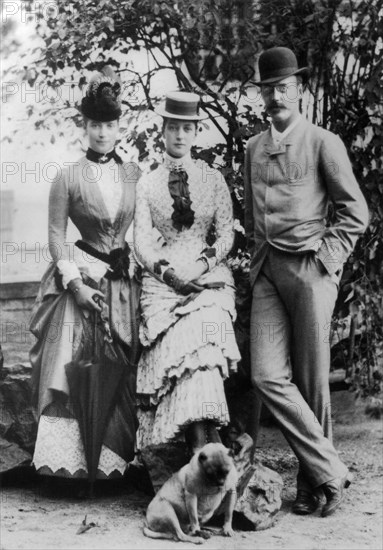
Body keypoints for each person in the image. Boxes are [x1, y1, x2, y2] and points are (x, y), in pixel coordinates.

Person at [244, 47, 369, 517]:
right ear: (261, 94)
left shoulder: (323, 142)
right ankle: (331, 469)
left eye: (284, 88)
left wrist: (327, 260)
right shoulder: (253, 148)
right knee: (267, 376)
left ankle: (310, 484)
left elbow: (355, 212)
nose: (275, 96)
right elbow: (254, 217)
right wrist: (257, 268)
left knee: (313, 380)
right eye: (268, 89)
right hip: (268, 275)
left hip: (311, 271)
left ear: (300, 91)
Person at [30, 67, 141, 483]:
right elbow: (56, 237)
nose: (102, 133)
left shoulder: (132, 174)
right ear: (86, 127)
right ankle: (72, 467)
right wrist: (74, 285)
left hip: (122, 281)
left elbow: (143, 230)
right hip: (81, 277)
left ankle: (116, 464)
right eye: (95, 124)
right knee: (73, 358)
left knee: (123, 360)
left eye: (110, 125)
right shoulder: (67, 176)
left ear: (118, 128)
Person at [134, 91, 241, 454]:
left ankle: (203, 447)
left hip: (207, 276)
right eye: (173, 127)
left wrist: (202, 265)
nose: (180, 135)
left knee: (204, 344)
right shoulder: (147, 183)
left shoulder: (212, 179)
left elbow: (227, 233)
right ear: (162, 131)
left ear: (196, 132)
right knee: (181, 352)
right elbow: (142, 243)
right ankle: (205, 447)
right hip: (163, 285)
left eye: (187, 128)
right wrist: (169, 276)